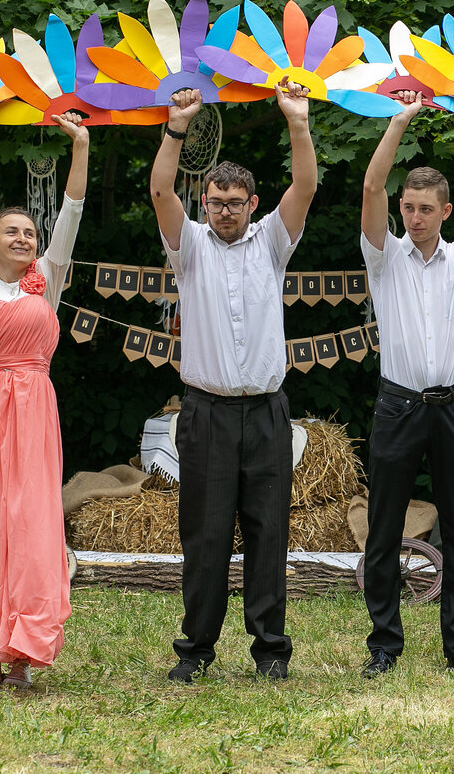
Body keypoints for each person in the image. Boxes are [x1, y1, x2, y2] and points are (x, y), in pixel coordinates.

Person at [152, 79, 315, 683]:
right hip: (207, 412)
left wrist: (297, 120)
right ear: (205, 203)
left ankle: (270, 650)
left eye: (235, 202)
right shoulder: (189, 246)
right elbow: (160, 189)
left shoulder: (272, 241)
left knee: (270, 535)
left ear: (252, 204)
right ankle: (194, 650)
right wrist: (177, 126)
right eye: (216, 201)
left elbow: (305, 186)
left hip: (267, 411)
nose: (225, 210)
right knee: (206, 537)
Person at [358, 90, 454, 679]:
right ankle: (383, 646)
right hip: (397, 406)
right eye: (408, 207)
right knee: (384, 528)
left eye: (425, 208)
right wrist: (400, 120)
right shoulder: (384, 257)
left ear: (445, 212)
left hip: (452, 408)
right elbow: (371, 187)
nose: (414, 217)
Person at [0, 100, 88, 690]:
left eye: (30, 232)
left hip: (31, 414)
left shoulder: (46, 281)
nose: (25, 238)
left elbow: (72, 211)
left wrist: (80, 146)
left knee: (28, 523)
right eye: (13, 231)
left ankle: (23, 649)